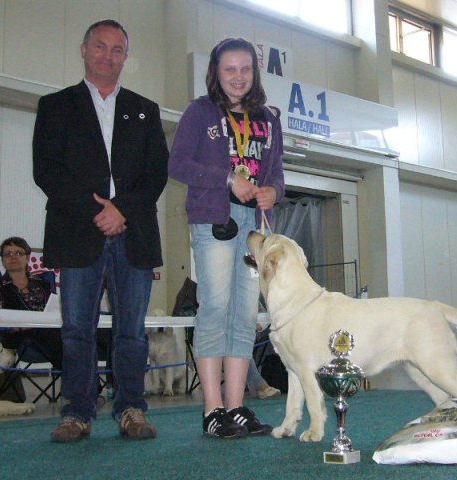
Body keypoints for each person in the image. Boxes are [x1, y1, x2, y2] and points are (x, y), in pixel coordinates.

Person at [33, 19, 169, 442]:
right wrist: (100, 212)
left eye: (117, 49)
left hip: (134, 233)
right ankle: (77, 412)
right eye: (100, 46)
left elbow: (156, 173)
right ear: (84, 49)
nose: (108, 55)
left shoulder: (145, 110)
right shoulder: (55, 106)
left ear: (126, 57)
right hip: (78, 232)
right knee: (76, 330)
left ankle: (131, 408)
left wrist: (122, 210)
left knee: (132, 331)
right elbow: (46, 171)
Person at [168, 37, 285, 438]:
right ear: (215, 73)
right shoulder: (200, 112)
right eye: (229, 69)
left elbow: (277, 172)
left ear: (255, 73)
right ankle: (212, 409)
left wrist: (274, 192)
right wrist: (226, 179)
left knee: (245, 315)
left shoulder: (269, 119)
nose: (238, 77)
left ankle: (236, 407)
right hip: (213, 220)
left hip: (255, 225)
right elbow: (177, 164)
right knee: (215, 308)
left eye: (245, 69)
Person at [0, 236, 63, 399]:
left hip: (48, 333)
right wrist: (26, 325)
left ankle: (81, 384)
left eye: (18, 253)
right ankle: (82, 385)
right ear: (2, 260)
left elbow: (53, 309)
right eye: (8, 254)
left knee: (71, 335)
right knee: (60, 338)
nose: (13, 257)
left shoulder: (42, 284)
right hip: (16, 337)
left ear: (27, 258)